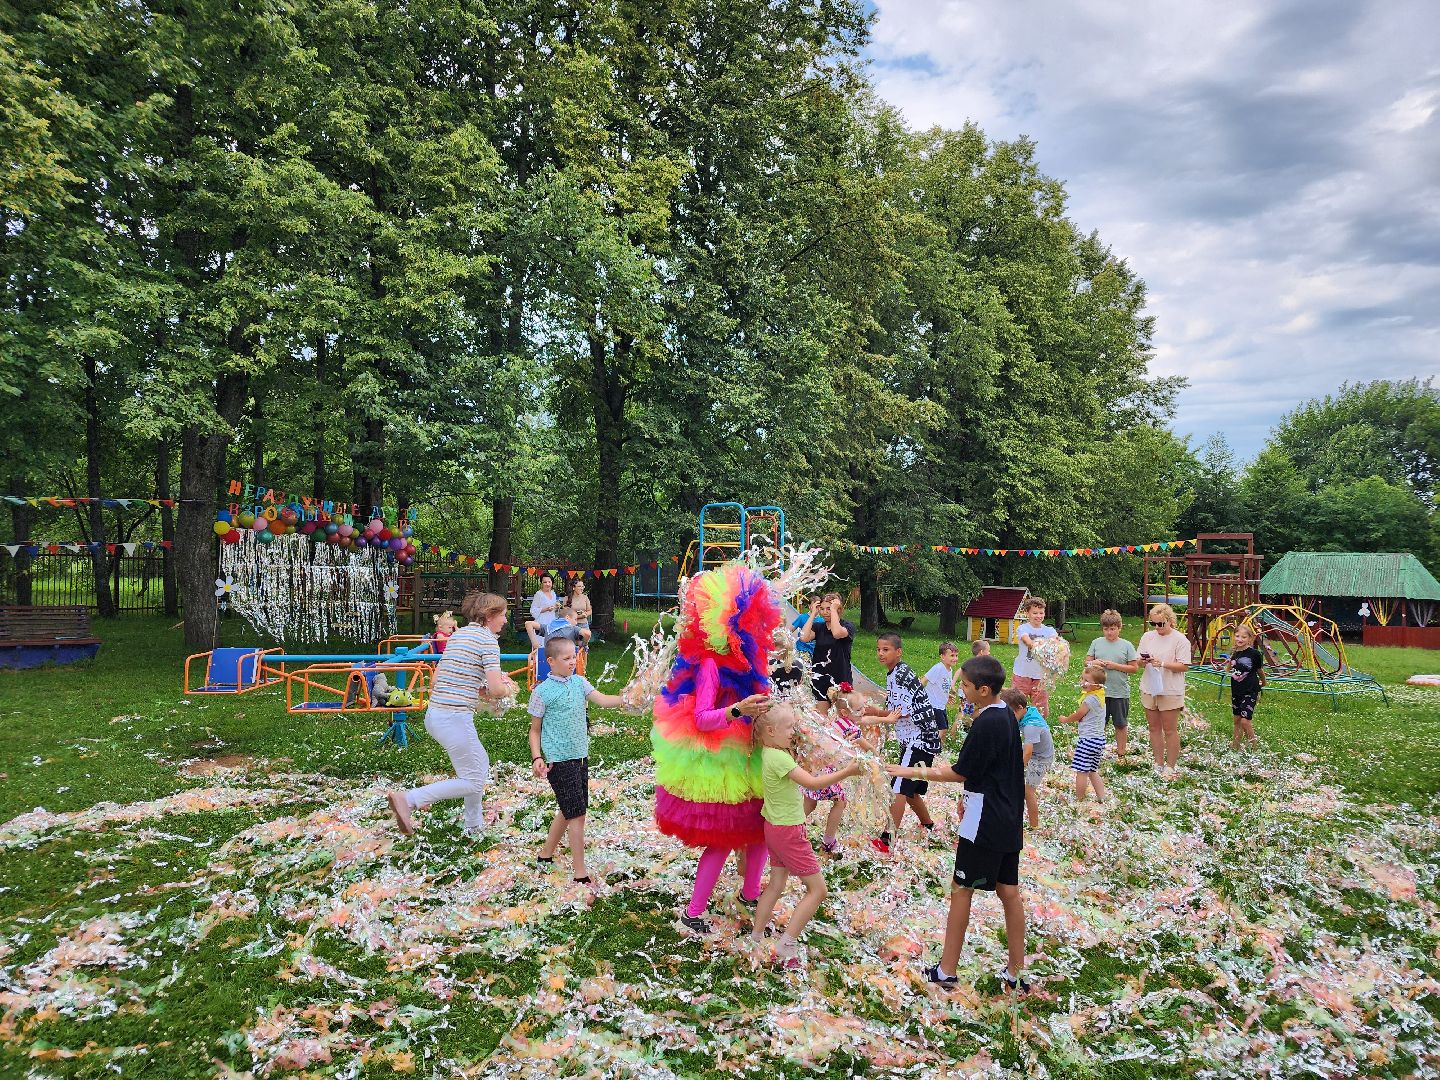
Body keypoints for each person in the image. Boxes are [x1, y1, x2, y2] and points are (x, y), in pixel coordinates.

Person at [886, 654, 1027, 993]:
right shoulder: (1005, 713)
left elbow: (959, 772)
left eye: (964, 686)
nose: (959, 690)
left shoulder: (987, 723)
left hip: (984, 820)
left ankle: (946, 970)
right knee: (1009, 891)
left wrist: (907, 770)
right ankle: (1016, 972)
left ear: (983, 689)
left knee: (962, 890)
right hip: (1007, 816)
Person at [651, 564, 778, 935]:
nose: (756, 630)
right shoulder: (710, 665)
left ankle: (751, 895)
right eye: (749, 623)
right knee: (723, 839)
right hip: (722, 764)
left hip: (752, 758)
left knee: (760, 833)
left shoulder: (753, 664)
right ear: (728, 625)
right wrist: (738, 709)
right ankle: (693, 912)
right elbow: (703, 718)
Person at [387, 592, 519, 838]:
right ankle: (409, 799)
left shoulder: (458, 636)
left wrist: (479, 690)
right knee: (474, 780)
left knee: (479, 766)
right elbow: (497, 688)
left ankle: (473, 825)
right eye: (502, 615)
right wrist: (507, 687)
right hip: (454, 718)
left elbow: (438, 679)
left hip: (435, 714)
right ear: (489, 616)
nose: (504, 620)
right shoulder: (488, 641)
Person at [749, 704, 862, 968]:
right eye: (789, 727)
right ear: (770, 731)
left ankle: (756, 936)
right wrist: (847, 771)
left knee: (776, 884)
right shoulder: (781, 759)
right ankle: (786, 944)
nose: (794, 732)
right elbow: (811, 783)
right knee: (817, 890)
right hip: (789, 832)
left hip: (774, 828)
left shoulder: (769, 753)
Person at [528, 637, 626, 884]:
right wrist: (537, 757)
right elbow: (535, 730)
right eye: (567, 658)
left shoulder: (580, 683)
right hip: (558, 762)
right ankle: (580, 873)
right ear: (551, 661)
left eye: (575, 656)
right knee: (577, 814)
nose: (573, 662)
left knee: (568, 807)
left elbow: (603, 700)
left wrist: (628, 698)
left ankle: (546, 854)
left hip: (581, 757)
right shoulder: (542, 692)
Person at [864, 632, 941, 854]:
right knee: (910, 790)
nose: (880, 653)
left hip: (918, 740)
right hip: (917, 740)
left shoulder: (900, 675)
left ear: (898, 652)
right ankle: (928, 825)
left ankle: (887, 840)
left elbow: (902, 711)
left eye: (886, 649)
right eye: (878, 649)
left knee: (898, 788)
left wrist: (875, 712)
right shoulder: (896, 673)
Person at [803, 683, 878, 855]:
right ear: (845, 713)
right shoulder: (850, 727)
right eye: (858, 710)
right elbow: (867, 747)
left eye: (863, 708)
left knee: (810, 802)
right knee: (840, 802)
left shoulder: (837, 722)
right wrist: (877, 760)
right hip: (827, 770)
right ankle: (828, 842)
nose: (863, 712)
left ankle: (789, 828)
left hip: (816, 767)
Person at [1137, 603, 1192, 775]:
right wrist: (1143, 661)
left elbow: (1184, 666)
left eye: (1161, 624)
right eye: (1154, 624)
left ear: (1170, 621)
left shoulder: (1180, 640)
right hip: (1149, 686)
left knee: (1169, 729)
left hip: (1170, 689)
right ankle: (1158, 762)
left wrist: (1162, 663)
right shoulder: (1147, 637)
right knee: (1153, 728)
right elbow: (1137, 662)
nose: (1157, 627)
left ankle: (1170, 765)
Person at [1085, 609, 1139, 755]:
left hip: (1119, 692)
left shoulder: (1126, 645)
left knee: (1120, 724)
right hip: (1098, 692)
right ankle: (1096, 752)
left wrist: (1115, 666)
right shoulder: (1096, 643)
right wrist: (1094, 662)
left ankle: (1121, 752)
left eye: (1113, 629)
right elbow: (1087, 662)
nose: (1109, 632)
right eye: (1106, 629)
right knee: (1099, 723)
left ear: (1119, 628)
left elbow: (1134, 668)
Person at [1055, 663, 1108, 806]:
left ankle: (1079, 800)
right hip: (1099, 740)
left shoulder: (1090, 699)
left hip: (1088, 741)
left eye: (1087, 681)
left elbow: (1079, 714)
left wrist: (1066, 719)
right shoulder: (1100, 696)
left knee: (1081, 771)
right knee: (1092, 770)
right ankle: (1101, 797)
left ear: (1097, 685)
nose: (1083, 683)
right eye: (1082, 679)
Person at [1000, 687, 1053, 830]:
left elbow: (1028, 752)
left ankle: (1034, 825)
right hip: (1035, 753)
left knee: (1028, 792)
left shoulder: (1031, 725)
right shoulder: (1027, 712)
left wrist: (1017, 769)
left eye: (1011, 713)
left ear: (1020, 707)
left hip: (1040, 758)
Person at [798, 592, 855, 714]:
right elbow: (803, 637)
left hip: (841, 679)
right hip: (820, 678)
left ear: (839, 609)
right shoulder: (819, 627)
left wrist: (834, 610)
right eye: (822, 609)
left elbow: (836, 633)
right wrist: (813, 614)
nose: (824, 612)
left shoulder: (847, 626)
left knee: (841, 718)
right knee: (822, 719)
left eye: (829, 609)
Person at [1011, 597, 1057, 718]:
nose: (1038, 616)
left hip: (1041, 676)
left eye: (1041, 613)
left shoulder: (1049, 631)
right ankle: (1014, 728)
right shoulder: (1023, 628)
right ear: (1027, 613)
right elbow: (1027, 640)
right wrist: (1037, 646)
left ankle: (1037, 728)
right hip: (1022, 675)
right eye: (1035, 613)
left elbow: (1055, 643)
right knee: (1016, 704)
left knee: (1040, 708)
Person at [1227, 624, 1265, 749]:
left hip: (1250, 690)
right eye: (1237, 636)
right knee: (1237, 720)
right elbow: (1229, 669)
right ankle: (1236, 744)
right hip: (1237, 690)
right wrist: (1228, 665)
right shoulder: (1235, 653)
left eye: (1243, 637)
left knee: (1245, 720)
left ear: (1249, 639)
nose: (1240, 639)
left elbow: (1259, 671)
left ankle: (1254, 746)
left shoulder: (1254, 654)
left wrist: (1263, 682)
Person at [922, 642, 961, 744]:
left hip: (940, 705)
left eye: (956, 655)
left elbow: (940, 686)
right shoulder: (938, 668)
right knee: (942, 729)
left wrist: (947, 696)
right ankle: (933, 748)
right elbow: (923, 681)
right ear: (942, 657)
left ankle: (939, 751)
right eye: (952, 655)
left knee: (943, 730)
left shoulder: (949, 669)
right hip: (933, 705)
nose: (955, 658)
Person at [960, 641, 991, 728]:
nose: (989, 653)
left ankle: (967, 725)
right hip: (967, 691)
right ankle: (955, 733)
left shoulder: (978, 663)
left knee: (974, 709)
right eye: (988, 651)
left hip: (971, 690)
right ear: (981, 652)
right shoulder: (975, 663)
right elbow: (961, 670)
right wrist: (953, 683)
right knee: (962, 712)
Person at [525, 572, 559, 649]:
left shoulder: (553, 594)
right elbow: (533, 610)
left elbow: (554, 609)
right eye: (545, 582)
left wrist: (556, 606)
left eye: (549, 582)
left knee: (552, 644)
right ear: (541, 583)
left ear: (552, 583)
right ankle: (538, 659)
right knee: (541, 643)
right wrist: (545, 609)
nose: (547, 584)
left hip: (552, 621)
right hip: (541, 621)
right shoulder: (539, 594)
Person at [566, 577, 594, 645]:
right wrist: (578, 616)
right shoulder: (567, 598)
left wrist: (586, 614)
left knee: (583, 646)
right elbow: (565, 614)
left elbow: (590, 610)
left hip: (583, 625)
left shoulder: (585, 597)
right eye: (579, 586)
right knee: (571, 646)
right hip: (571, 625)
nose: (582, 588)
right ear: (573, 588)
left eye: (582, 586)